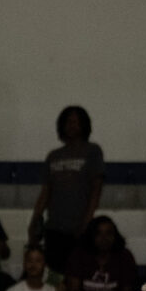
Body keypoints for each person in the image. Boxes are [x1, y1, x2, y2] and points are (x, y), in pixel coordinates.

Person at [32, 107, 104, 271]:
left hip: (79, 227)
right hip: (54, 227)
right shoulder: (54, 156)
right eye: (68, 121)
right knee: (55, 275)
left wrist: (86, 223)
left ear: (84, 124)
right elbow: (46, 192)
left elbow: (96, 191)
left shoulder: (92, 151)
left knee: (79, 273)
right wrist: (34, 221)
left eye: (76, 121)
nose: (72, 125)